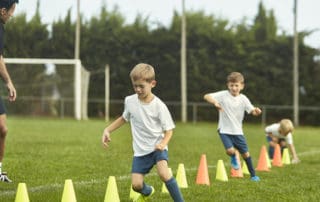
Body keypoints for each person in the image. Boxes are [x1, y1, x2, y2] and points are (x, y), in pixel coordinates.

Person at [102, 63, 184, 202]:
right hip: (140, 151)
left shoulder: (159, 106)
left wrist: (163, 144)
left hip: (158, 147)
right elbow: (124, 118)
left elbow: (169, 130)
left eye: (142, 86)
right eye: (135, 86)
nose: (138, 89)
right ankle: (148, 191)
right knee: (136, 185)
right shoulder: (130, 101)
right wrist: (107, 130)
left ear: (152, 83)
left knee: (164, 174)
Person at [204, 72, 262, 181]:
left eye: (236, 85)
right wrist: (215, 103)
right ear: (228, 85)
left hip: (238, 131)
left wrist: (256, 111)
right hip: (224, 130)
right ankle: (234, 156)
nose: (234, 88)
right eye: (231, 85)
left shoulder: (243, 99)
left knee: (245, 154)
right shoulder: (223, 95)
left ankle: (253, 175)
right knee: (230, 150)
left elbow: (252, 111)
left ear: (242, 86)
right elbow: (206, 96)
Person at [0, 0, 18, 183]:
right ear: (3, 11)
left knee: (2, 129)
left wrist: (8, 83)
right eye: (12, 11)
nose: (13, 15)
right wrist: (9, 82)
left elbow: (0, 58)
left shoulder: (1, 28)